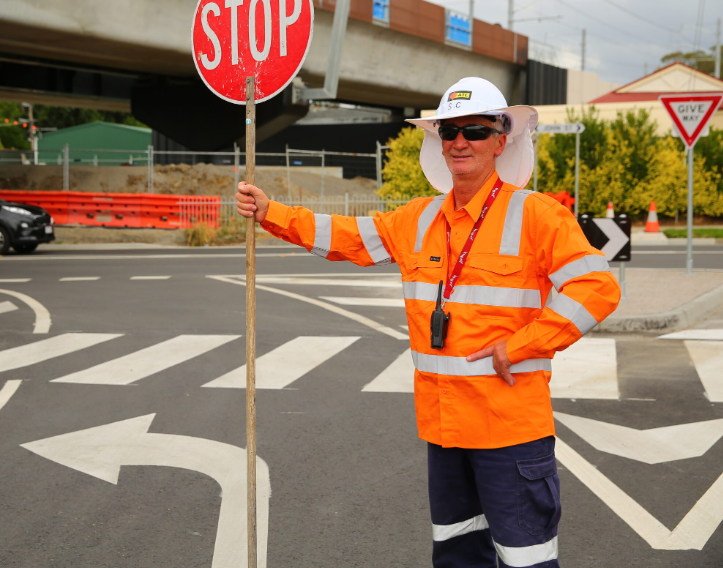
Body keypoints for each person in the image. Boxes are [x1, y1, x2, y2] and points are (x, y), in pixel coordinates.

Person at [235, 77, 620, 568]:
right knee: (457, 556)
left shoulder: (536, 215)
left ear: (501, 140)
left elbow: (598, 288)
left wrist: (521, 345)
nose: (460, 141)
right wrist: (272, 213)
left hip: (510, 435)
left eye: (475, 131)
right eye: (449, 130)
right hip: (444, 433)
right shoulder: (417, 219)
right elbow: (347, 236)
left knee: (527, 561)